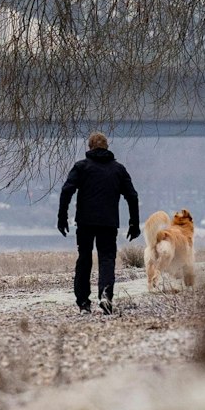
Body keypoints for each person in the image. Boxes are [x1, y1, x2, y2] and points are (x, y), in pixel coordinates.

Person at [57, 132, 141, 314]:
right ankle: (105, 295)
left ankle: (83, 302)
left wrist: (62, 217)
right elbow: (132, 196)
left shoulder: (81, 167)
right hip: (108, 223)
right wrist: (134, 223)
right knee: (107, 258)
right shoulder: (118, 169)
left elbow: (66, 190)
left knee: (84, 258)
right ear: (107, 147)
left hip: (85, 222)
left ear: (90, 147)